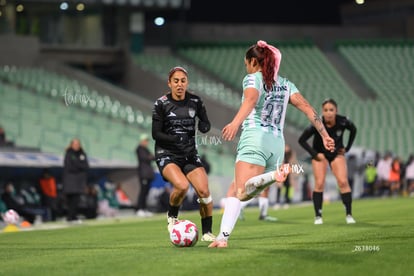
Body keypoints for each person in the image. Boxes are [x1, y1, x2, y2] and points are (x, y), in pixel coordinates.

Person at [209, 40, 335, 248]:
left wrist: (234, 123)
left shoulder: (252, 79)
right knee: (239, 190)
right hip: (277, 145)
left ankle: (223, 238)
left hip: (255, 139)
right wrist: (324, 134)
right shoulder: (286, 84)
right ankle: (222, 237)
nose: (246, 67)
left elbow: (250, 100)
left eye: (246, 63)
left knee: (239, 192)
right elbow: (307, 107)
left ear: (252, 62)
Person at [152, 66, 215, 242]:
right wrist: (175, 139)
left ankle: (207, 233)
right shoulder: (161, 104)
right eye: (176, 81)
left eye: (183, 81)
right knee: (182, 186)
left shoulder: (196, 101)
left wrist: (204, 126)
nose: (180, 84)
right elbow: (156, 134)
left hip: (189, 154)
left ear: (187, 82)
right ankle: (172, 216)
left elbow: (205, 122)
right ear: (169, 83)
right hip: (167, 153)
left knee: (204, 191)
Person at [298, 98, 357, 225]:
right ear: (322, 111)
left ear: (336, 111)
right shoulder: (317, 123)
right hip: (320, 154)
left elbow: (353, 130)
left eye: (331, 110)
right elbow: (301, 140)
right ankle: (318, 216)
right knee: (319, 183)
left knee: (343, 181)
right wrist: (315, 154)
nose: (329, 112)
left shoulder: (343, 121)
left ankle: (349, 214)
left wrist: (347, 148)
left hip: (336, 154)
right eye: (326, 110)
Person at [62, 138, 89, 223]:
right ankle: (70, 217)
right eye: (75, 144)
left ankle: (73, 216)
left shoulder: (82, 154)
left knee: (77, 199)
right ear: (71, 145)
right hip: (70, 181)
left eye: (78, 144)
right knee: (71, 200)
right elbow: (69, 167)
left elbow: (86, 166)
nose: (76, 145)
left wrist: (77, 165)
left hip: (79, 182)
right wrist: (79, 165)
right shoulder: (69, 154)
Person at [135, 134, 156, 217]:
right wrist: (150, 157)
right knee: (143, 192)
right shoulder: (139, 149)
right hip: (143, 174)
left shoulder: (145, 149)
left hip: (148, 174)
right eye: (145, 140)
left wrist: (150, 157)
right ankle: (139, 209)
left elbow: (152, 157)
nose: (146, 142)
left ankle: (144, 209)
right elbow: (146, 158)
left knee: (146, 192)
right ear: (142, 141)